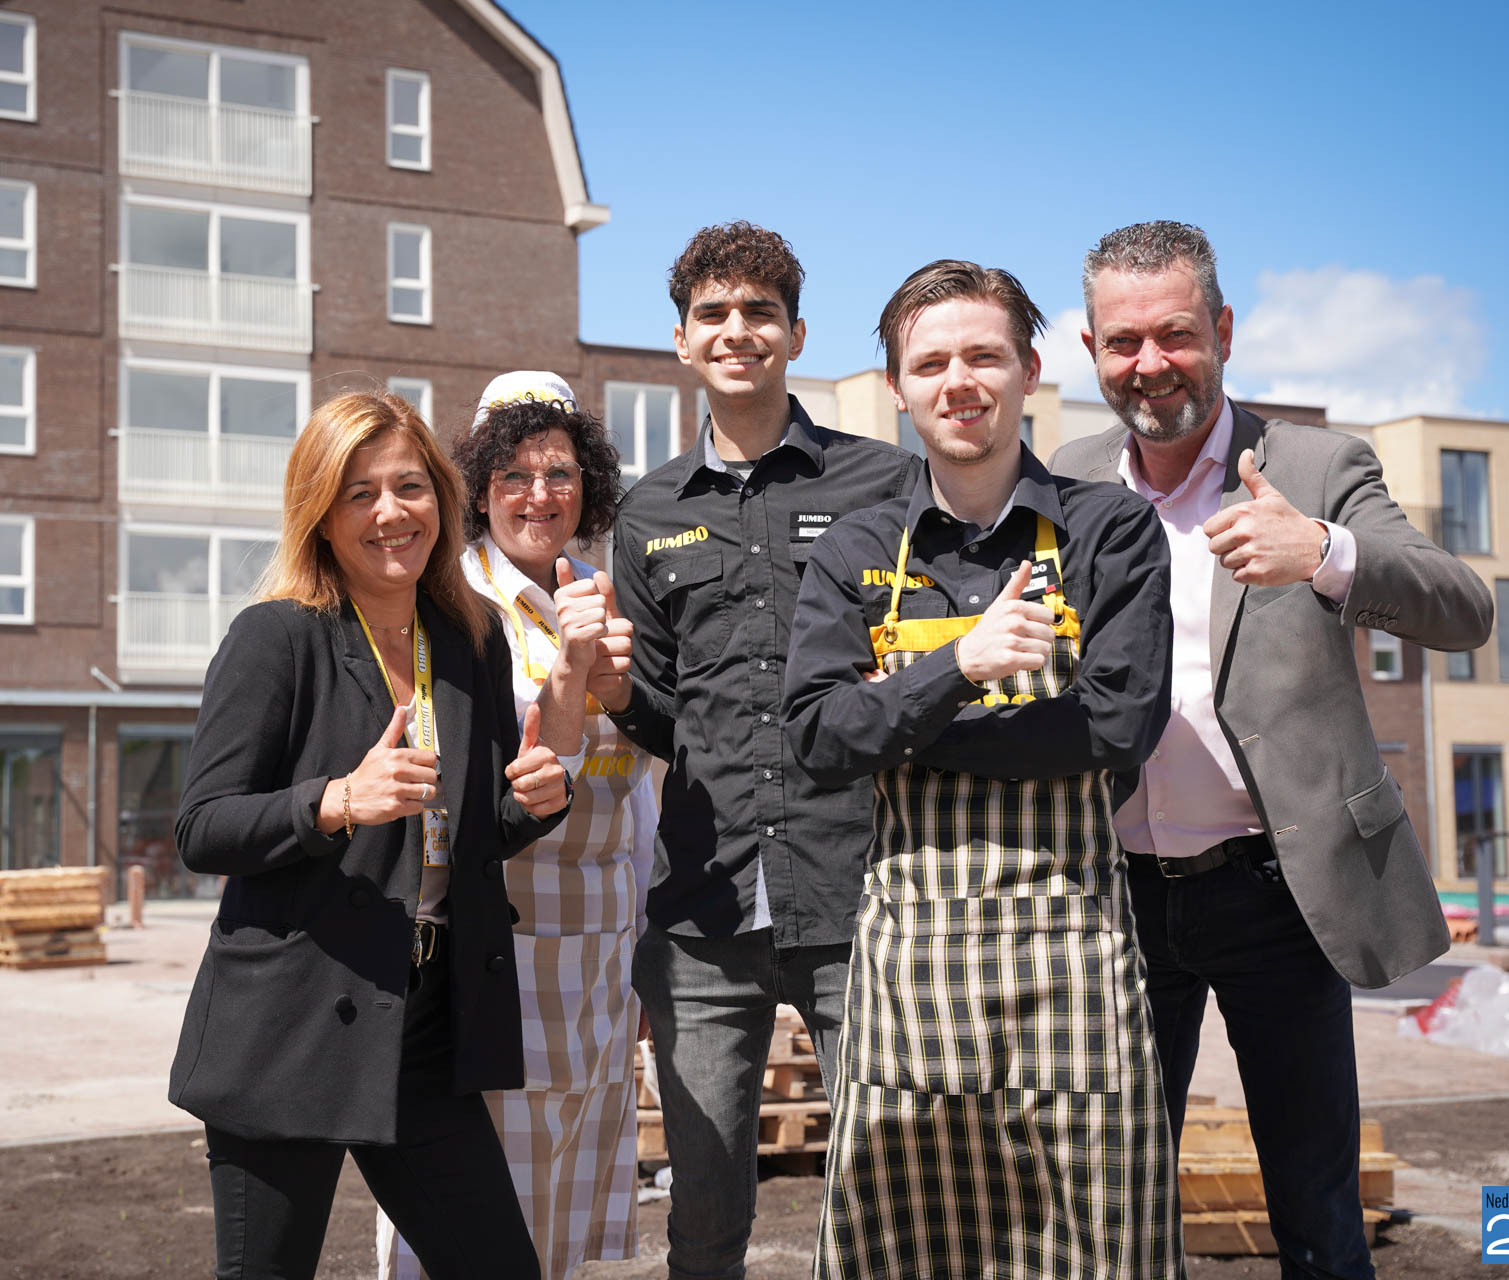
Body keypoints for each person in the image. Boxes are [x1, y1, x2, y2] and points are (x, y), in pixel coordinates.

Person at [1052, 221, 1494, 1279]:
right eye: (1124, 341)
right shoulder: (1067, 478)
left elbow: (1466, 608)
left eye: (1175, 333)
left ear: (1223, 330)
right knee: (1115, 1202)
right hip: (1117, 899)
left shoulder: (1316, 465)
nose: (1150, 363)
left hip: (1279, 892)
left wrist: (1327, 552)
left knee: (1315, 1206)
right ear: (1092, 348)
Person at [785, 259, 1179, 1278]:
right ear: (897, 388)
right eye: (931, 364)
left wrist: (904, 715)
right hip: (910, 972)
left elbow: (1118, 725)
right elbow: (817, 740)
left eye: (983, 356)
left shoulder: (1109, 529)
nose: (958, 381)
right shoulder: (857, 550)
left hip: (1073, 960)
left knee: (1100, 1250)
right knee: (898, 1250)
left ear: (1028, 371)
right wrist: (959, 667)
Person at [167, 390, 572, 1280]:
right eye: (361, 494)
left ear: (442, 501)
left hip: (424, 1023)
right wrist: (336, 800)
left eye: (410, 487)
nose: (392, 512)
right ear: (321, 514)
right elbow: (201, 827)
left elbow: (471, 835)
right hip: (290, 1026)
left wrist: (538, 800)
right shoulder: (276, 638)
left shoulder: (470, 639)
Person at [603, 222, 919, 1280]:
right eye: (714, 313)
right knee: (702, 1218)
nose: (736, 330)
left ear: (796, 334)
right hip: (704, 912)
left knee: (888, 1199)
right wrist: (610, 691)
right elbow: (660, 714)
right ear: (682, 340)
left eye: (759, 311)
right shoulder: (648, 512)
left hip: (858, 894)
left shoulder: (887, 483)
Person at [377, 371, 654, 1279]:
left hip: (602, 955)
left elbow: (643, 789)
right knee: (476, 1209)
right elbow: (459, 784)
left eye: (561, 473)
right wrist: (571, 676)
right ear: (478, 489)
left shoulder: (610, 594)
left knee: (577, 1201)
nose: (540, 495)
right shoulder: (450, 604)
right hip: (499, 951)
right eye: (514, 476)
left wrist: (642, 950)